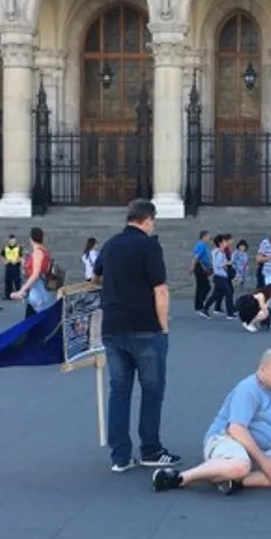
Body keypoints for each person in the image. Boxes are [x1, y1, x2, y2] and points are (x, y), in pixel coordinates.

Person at [96, 199, 181, 472]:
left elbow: (95, 277)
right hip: (144, 327)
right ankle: (150, 449)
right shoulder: (149, 245)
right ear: (147, 219)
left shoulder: (110, 245)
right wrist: (163, 326)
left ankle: (120, 456)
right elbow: (161, 289)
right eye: (153, 220)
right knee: (152, 390)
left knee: (119, 392)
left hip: (112, 326)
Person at [151, 349, 271, 495]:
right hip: (227, 441)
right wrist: (265, 462)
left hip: (258, 450)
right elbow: (236, 429)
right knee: (240, 466)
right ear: (262, 370)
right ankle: (181, 477)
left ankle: (233, 481)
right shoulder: (248, 389)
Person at [11, 228, 53, 314]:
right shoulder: (44, 251)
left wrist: (22, 290)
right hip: (38, 288)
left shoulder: (38, 252)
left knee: (34, 319)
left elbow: (35, 274)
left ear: (31, 238)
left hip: (37, 290)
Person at [201, 234, 235, 319]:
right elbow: (217, 264)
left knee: (216, 294)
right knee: (228, 294)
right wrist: (227, 263)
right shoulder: (218, 252)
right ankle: (230, 313)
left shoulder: (219, 252)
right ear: (220, 243)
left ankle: (205, 309)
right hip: (220, 277)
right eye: (224, 241)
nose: (225, 243)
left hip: (221, 276)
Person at [0, 234, 24, 300]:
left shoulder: (19, 247)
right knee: (8, 281)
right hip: (8, 266)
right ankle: (8, 296)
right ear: (9, 240)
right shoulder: (5, 247)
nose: (13, 241)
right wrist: (4, 262)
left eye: (14, 240)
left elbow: (22, 257)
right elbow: (1, 256)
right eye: (11, 240)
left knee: (17, 281)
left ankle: (19, 295)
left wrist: (17, 261)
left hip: (16, 266)